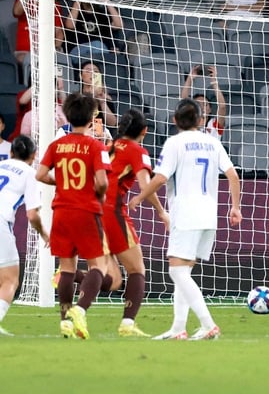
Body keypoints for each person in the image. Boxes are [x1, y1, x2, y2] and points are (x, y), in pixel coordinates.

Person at [129, 98, 242, 340]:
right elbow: (233, 175)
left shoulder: (174, 143)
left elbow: (159, 178)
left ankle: (208, 324)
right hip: (209, 215)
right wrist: (235, 207)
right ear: (201, 120)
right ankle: (178, 328)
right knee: (184, 272)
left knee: (177, 272)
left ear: (174, 120)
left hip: (186, 214)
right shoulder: (212, 142)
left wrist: (139, 198)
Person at [36, 92, 111, 340]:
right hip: (86, 210)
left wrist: (60, 183)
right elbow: (102, 182)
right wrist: (96, 192)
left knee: (66, 268)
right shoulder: (95, 146)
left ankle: (65, 322)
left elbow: (40, 174)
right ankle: (80, 309)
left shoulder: (57, 145)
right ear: (91, 118)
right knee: (98, 265)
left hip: (61, 211)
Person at [103, 109, 170, 337]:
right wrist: (162, 212)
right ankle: (128, 324)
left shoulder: (107, 147)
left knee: (113, 280)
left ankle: (67, 276)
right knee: (137, 269)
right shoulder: (137, 151)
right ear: (144, 131)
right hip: (112, 212)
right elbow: (146, 185)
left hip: (93, 212)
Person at [0, 135, 48, 336]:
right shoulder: (30, 173)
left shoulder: (1, 164)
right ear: (34, 155)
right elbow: (32, 215)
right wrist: (45, 234)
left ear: (11, 152)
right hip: (1, 221)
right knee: (10, 279)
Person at [14, 0, 64, 66]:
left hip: (47, 52)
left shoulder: (54, 3)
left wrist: (54, 48)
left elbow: (59, 31)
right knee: (30, 60)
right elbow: (16, 12)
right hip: (25, 52)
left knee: (61, 60)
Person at [63, 0, 125, 66]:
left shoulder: (103, 14)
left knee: (99, 47)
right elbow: (69, 25)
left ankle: (95, 74)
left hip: (100, 53)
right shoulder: (75, 12)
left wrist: (106, 0)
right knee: (97, 45)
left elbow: (119, 25)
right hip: (78, 52)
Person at [181, 64, 227, 137]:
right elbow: (183, 102)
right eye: (198, 104)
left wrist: (214, 81)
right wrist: (190, 78)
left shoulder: (214, 125)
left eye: (205, 104)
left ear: (210, 110)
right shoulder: (189, 124)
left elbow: (222, 107)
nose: (202, 107)